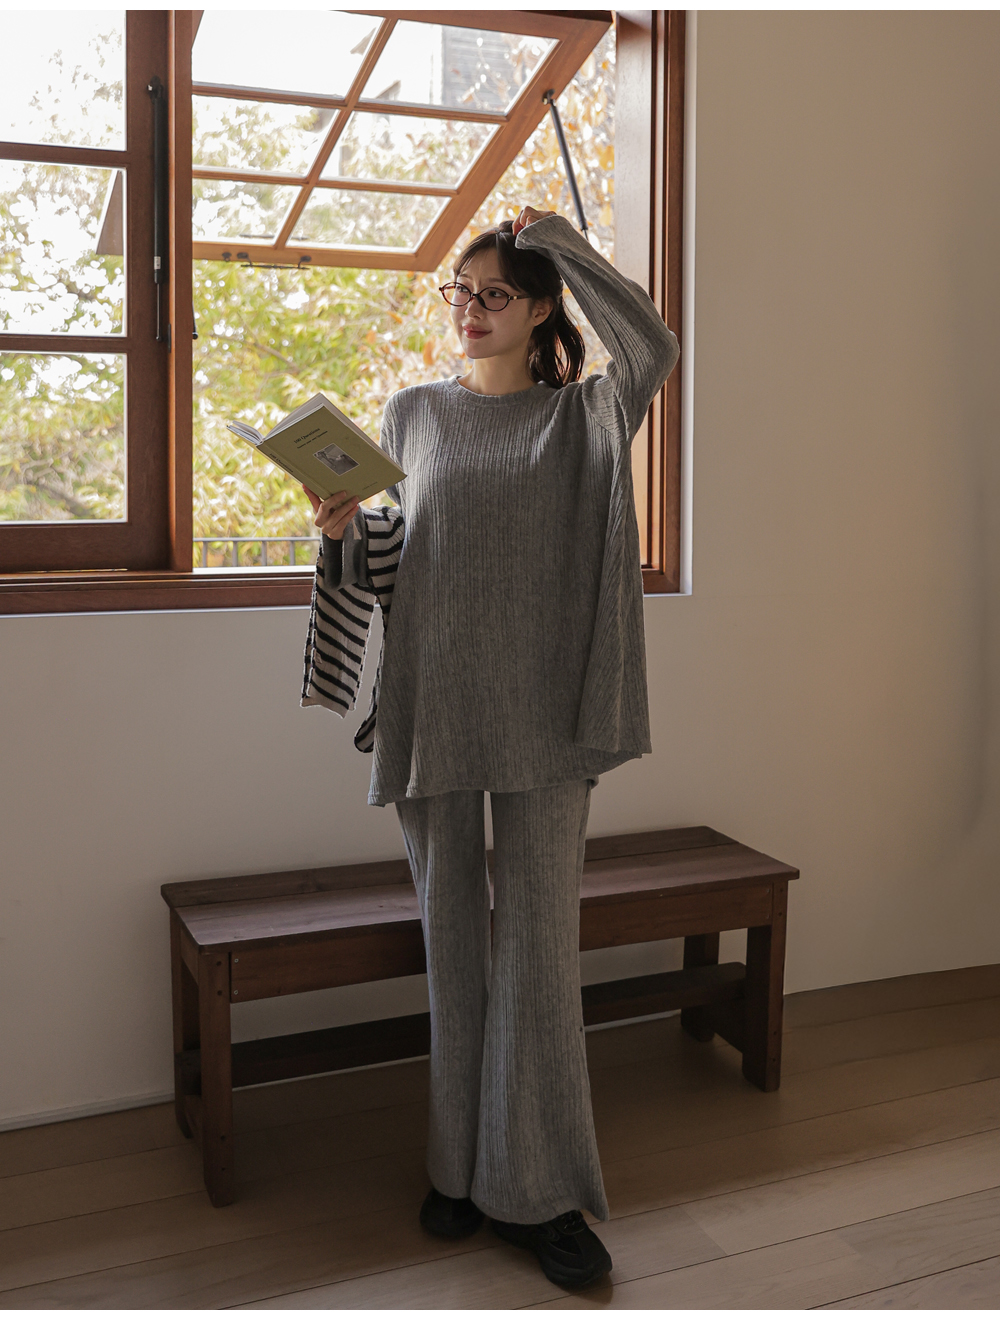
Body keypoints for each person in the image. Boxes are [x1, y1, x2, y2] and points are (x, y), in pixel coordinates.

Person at [304, 205, 679, 1290]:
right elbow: (403, 552)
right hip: (433, 706)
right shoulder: (413, 413)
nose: (468, 310)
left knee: (537, 955)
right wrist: (343, 533)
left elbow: (653, 345)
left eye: (494, 293)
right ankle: (459, 1171)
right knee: (454, 943)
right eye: (458, 293)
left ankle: (537, 1192)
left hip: (549, 717)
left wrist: (556, 236)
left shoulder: (588, 414)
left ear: (542, 307)